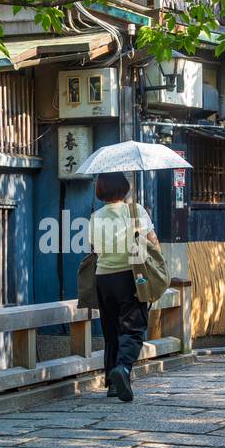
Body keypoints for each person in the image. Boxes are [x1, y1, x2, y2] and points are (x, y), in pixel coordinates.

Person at [91, 171, 158, 402]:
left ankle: (112, 383)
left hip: (103, 278)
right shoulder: (136, 211)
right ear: (124, 187)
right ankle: (123, 368)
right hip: (131, 276)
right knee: (133, 328)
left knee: (110, 330)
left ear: (100, 190)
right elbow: (153, 243)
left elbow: (94, 248)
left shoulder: (95, 216)